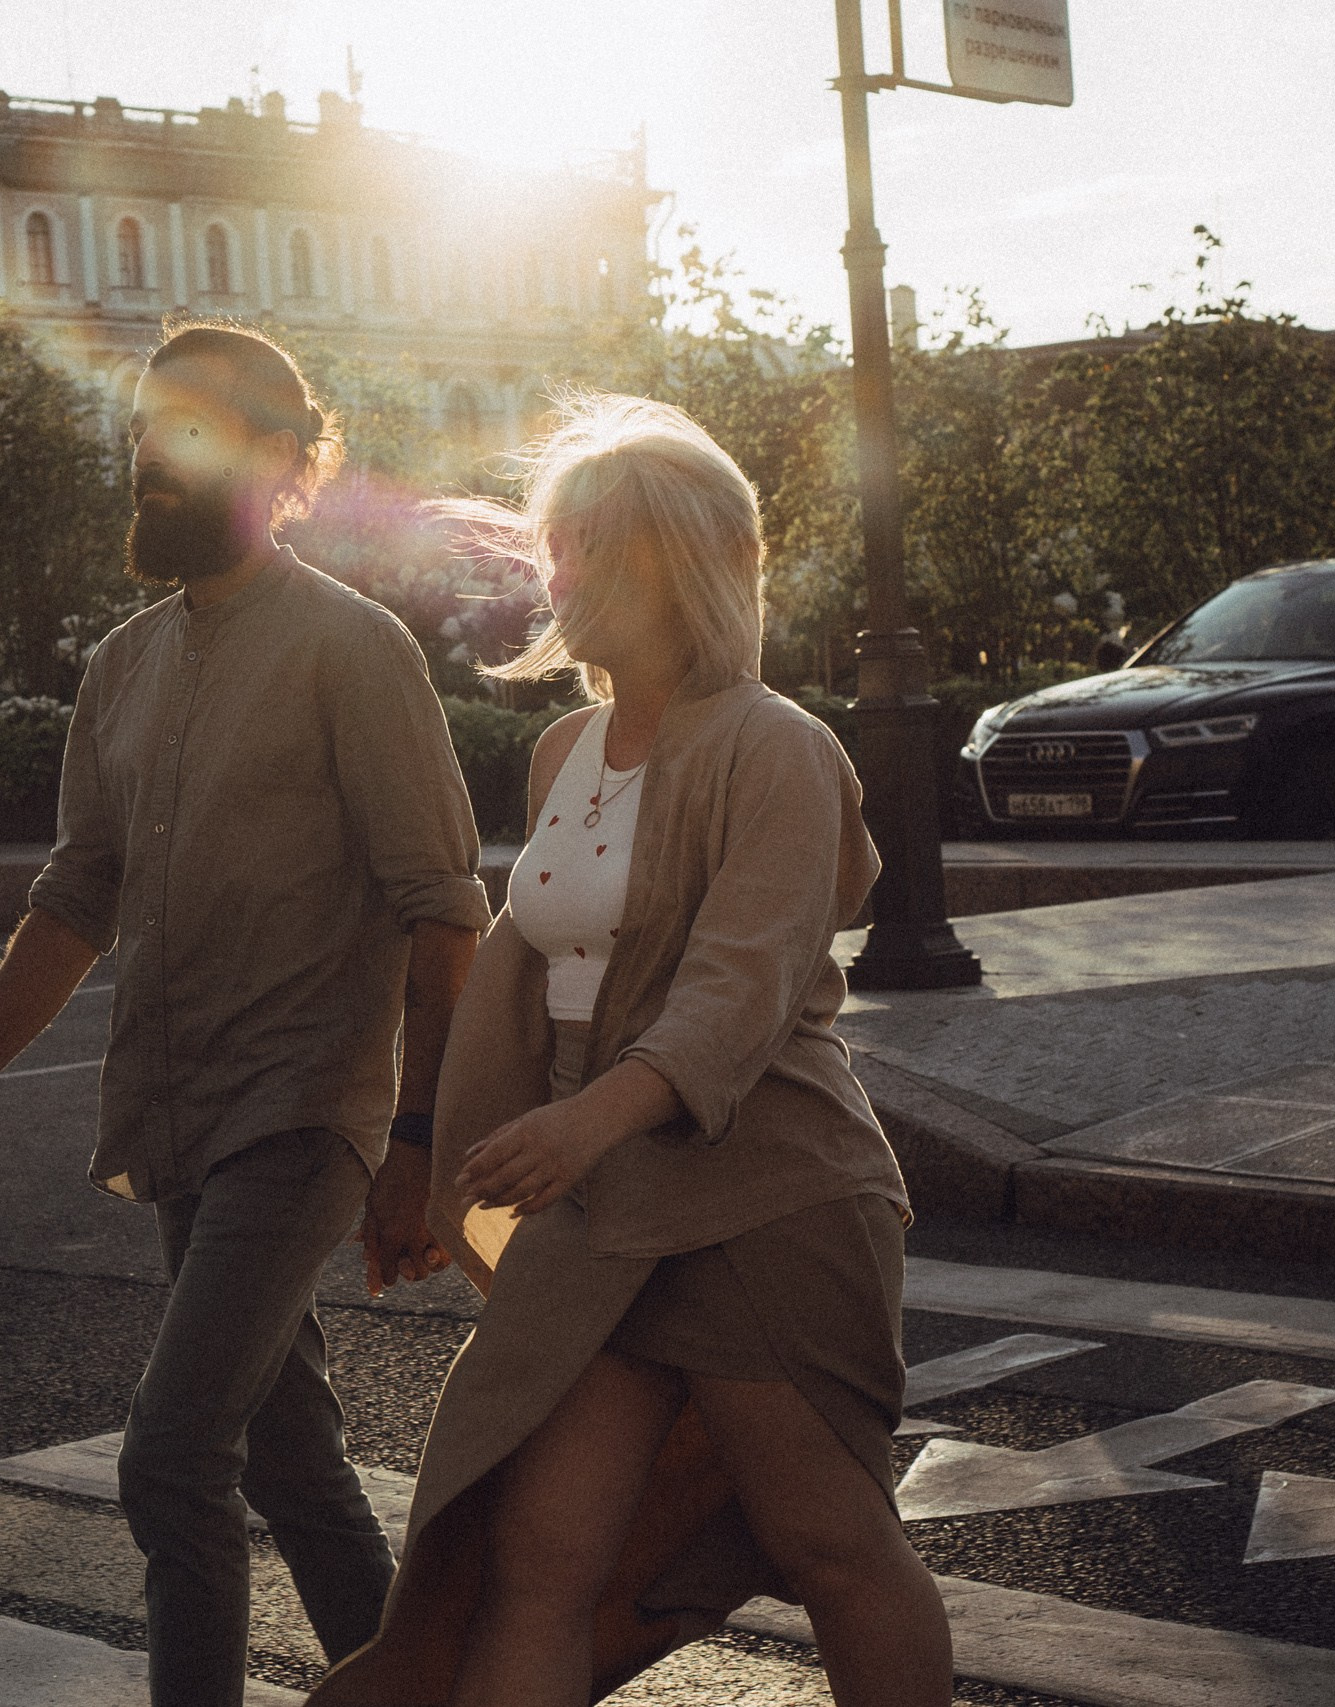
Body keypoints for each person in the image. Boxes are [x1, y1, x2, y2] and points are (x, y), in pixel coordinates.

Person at [0, 321, 491, 1706]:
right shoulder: (124, 666)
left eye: (192, 429)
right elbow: (73, 902)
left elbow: (442, 908)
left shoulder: (354, 648)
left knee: (169, 1457)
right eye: (147, 426)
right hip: (179, 1118)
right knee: (293, 1462)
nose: (153, 454)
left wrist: (416, 1146)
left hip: (302, 1114)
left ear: (280, 459)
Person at [310, 395, 953, 1706]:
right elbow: (532, 980)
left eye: (596, 542)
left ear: (680, 561)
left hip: (768, 1200)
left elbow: (744, 982)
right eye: (558, 542)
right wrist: (442, 1148)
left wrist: (585, 1123)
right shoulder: (564, 753)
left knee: (829, 1541)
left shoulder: (776, 747)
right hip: (603, 1219)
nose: (562, 571)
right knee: (533, 1559)